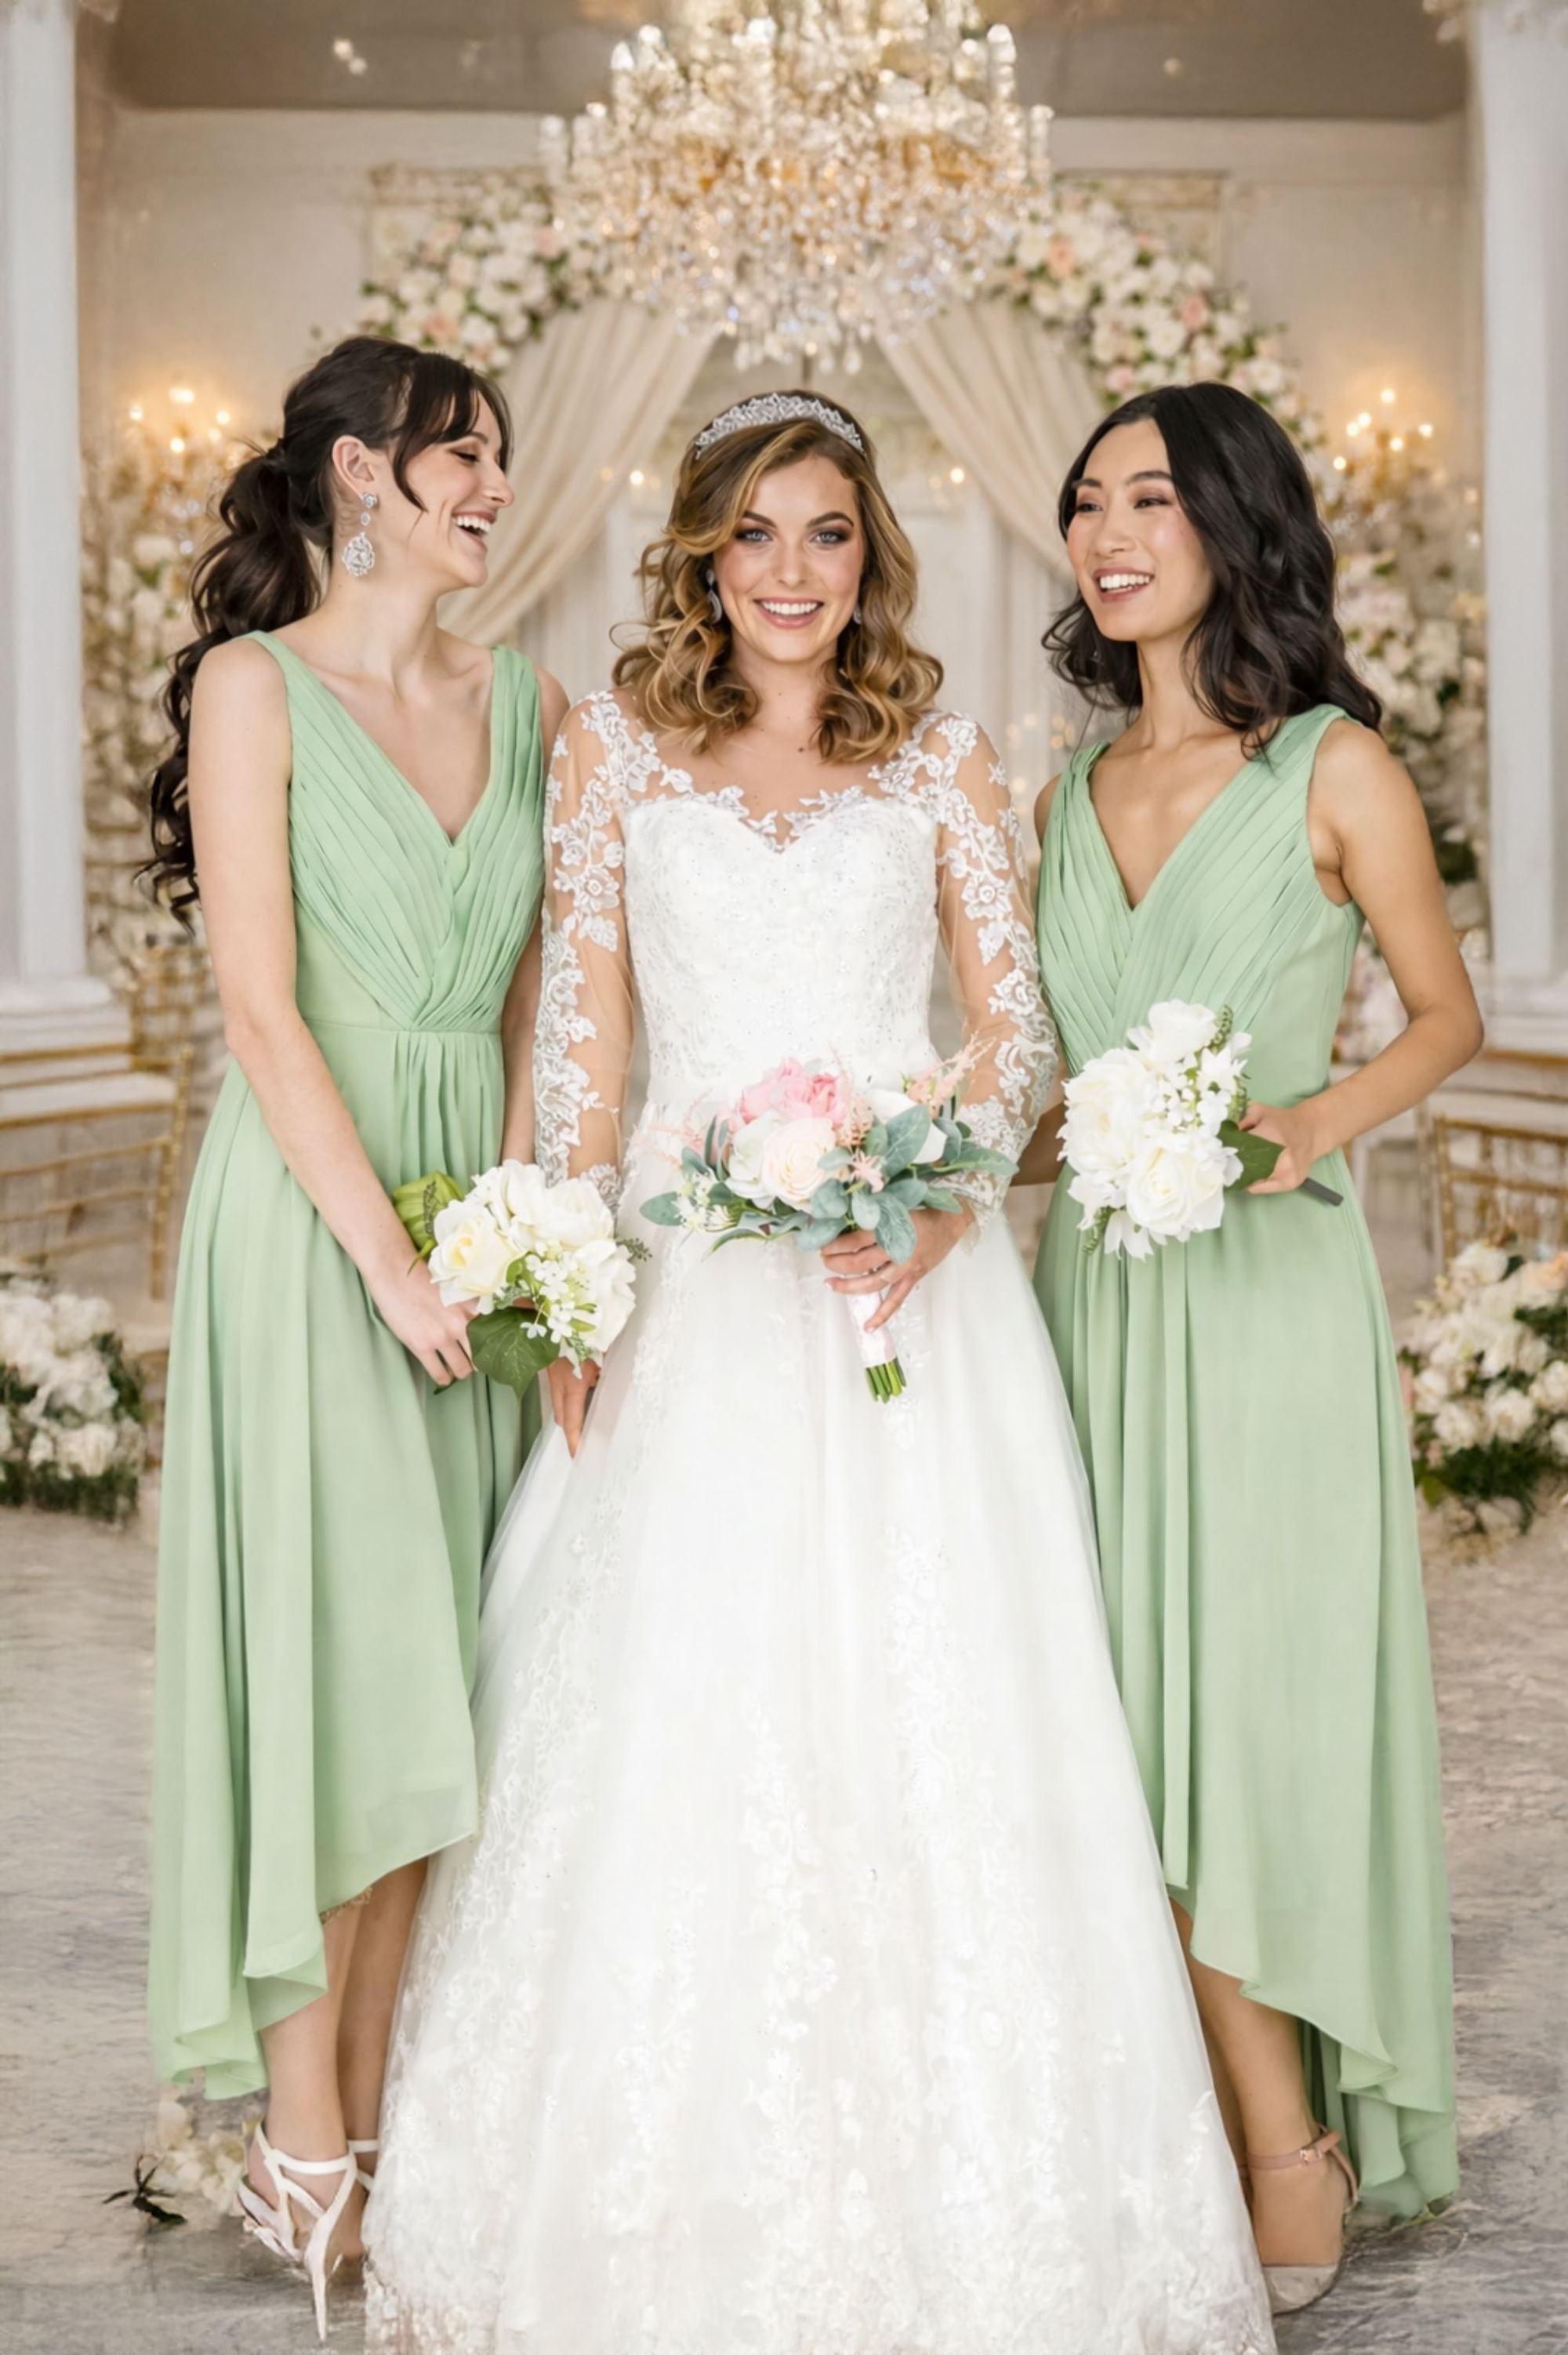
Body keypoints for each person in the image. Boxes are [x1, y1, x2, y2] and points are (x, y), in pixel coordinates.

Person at [362, 390, 1274, 2355]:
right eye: (758, 536)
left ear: (872, 559)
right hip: (688, 1295)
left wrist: (932, 1201)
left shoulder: (944, 757)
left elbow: (1007, 1031)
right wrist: (565, 1281)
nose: (793, 573)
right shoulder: (608, 752)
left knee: (945, 1718)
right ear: (701, 552)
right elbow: (589, 1039)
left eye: (829, 538)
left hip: (903, 1297)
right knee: (675, 1721)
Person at [1025, 380, 1480, 2316]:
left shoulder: (1333, 767)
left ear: (1230, 520)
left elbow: (1443, 1016)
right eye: (1085, 503)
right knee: (1109, 1723)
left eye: (1149, 497)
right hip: (1087, 1307)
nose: (1110, 532)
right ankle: (1183, 2119)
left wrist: (1309, 1121)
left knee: (1253, 1713)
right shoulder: (1060, 791)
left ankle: (1292, 2140)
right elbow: (1039, 1077)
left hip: (1268, 1298)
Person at [144, 334, 566, 2335]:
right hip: (314, 1223)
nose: (490, 486)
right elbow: (255, 1006)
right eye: (455, 457)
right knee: (341, 1669)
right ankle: (303, 2129)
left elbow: (535, 1016)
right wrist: (386, 1262)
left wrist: (523, 1243)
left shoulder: (531, 697)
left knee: (445, 1696)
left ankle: (373, 2104)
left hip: (473, 1221)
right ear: (351, 476)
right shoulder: (257, 685)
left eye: (496, 457)